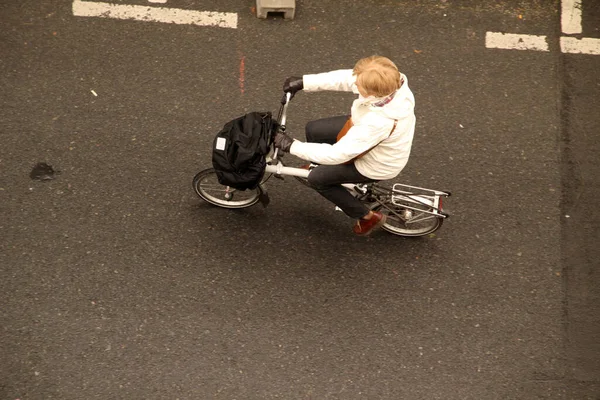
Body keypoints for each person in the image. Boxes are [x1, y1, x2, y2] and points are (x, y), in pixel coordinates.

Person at [274, 55, 416, 236]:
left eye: (359, 86)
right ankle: (319, 164)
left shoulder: (379, 122)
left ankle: (367, 216)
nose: (354, 85)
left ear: (373, 94)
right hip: (363, 129)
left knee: (317, 179)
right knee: (314, 130)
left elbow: (338, 154)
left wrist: (291, 145)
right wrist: (305, 82)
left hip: (376, 163)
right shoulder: (390, 80)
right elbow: (346, 79)